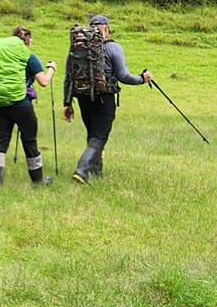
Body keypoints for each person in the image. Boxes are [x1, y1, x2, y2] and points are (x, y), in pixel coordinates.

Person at [63, 13, 152, 183]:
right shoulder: (113, 47)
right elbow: (123, 76)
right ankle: (82, 170)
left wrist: (67, 103)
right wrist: (142, 78)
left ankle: (97, 173)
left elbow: (68, 77)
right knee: (100, 136)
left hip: (82, 96)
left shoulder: (77, 48)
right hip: (105, 97)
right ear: (106, 29)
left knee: (92, 133)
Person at [0, 25, 56, 187]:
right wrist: (51, 69)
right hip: (21, 104)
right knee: (29, 140)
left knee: (0, 139)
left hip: (0, 102)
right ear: (28, 41)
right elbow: (43, 81)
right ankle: (37, 181)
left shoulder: (1, 54)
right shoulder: (29, 56)